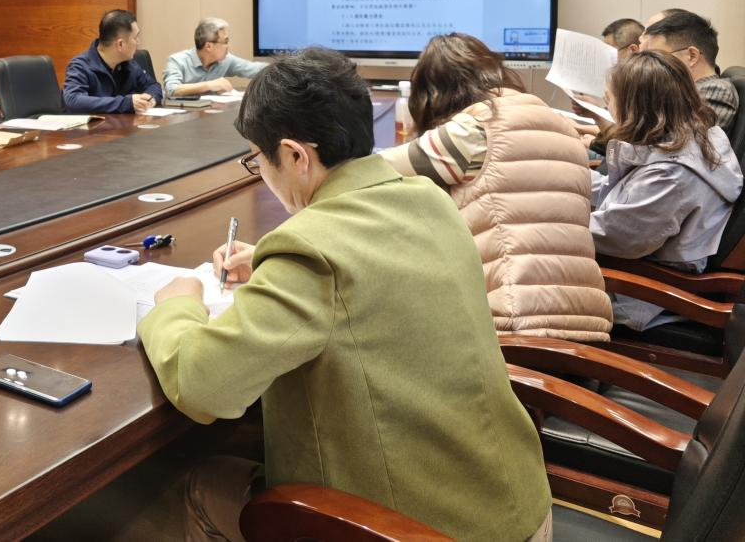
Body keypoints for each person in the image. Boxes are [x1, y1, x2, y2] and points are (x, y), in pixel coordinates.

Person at [139, 48, 552, 542]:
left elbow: (203, 385)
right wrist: (272, 264)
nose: (261, 172)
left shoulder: (310, 250)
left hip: (413, 530)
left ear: (295, 156)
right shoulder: (429, 200)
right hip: (519, 509)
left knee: (187, 488)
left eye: (257, 160)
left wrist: (179, 305)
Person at [380, 33, 611, 341]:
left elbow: (374, 171)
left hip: (510, 326)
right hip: (586, 323)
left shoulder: (474, 130)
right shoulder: (560, 125)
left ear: (434, 94)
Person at [590, 49, 743, 331]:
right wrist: (568, 179)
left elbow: (619, 237)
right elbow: (623, 190)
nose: (608, 106)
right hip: (639, 271)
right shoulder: (690, 137)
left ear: (634, 107)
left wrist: (555, 221)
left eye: (610, 99)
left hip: (640, 292)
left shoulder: (671, 174)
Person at [640, 9, 737, 130]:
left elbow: (686, 138)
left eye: (659, 58)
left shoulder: (716, 90)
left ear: (692, 56)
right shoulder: (684, 92)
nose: (653, 66)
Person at [62, 9, 162, 114]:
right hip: (97, 125)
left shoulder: (129, 64)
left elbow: (153, 86)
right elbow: (73, 101)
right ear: (120, 44)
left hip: (127, 124)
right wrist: (126, 103)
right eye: (135, 37)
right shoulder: (80, 66)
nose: (138, 42)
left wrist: (150, 99)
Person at [162, 17, 265, 99]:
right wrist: (210, 85)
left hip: (211, 115)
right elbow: (171, 90)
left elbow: (254, 69)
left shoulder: (226, 60)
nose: (228, 46)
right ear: (208, 46)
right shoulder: (178, 61)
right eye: (225, 42)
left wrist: (275, 66)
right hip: (183, 116)